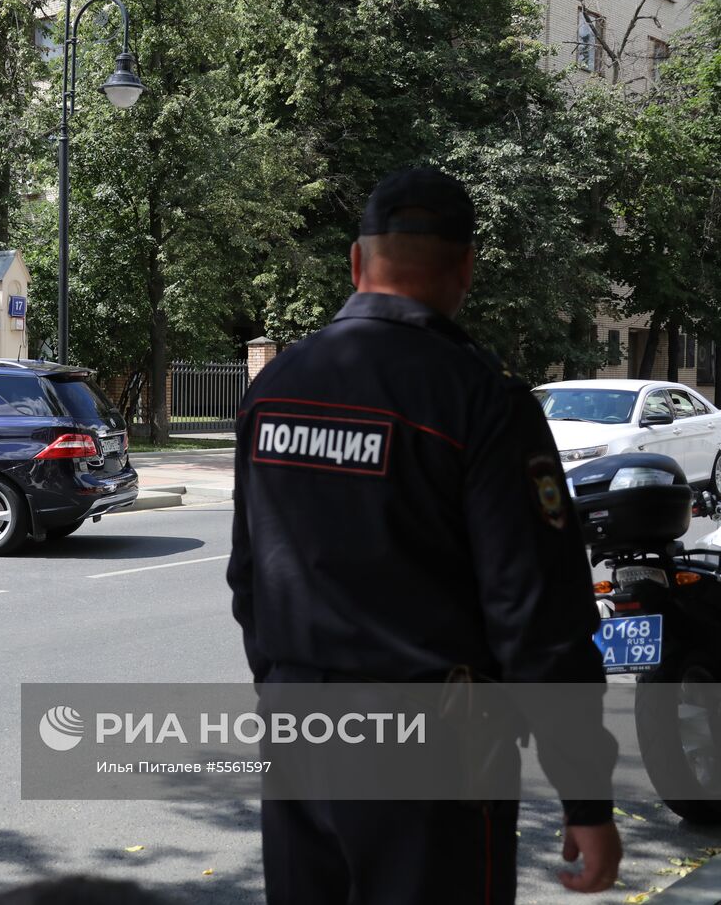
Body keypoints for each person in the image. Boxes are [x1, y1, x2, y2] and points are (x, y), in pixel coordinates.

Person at [227, 168, 622, 904]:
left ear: (357, 261)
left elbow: (248, 578)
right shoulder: (480, 401)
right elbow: (536, 615)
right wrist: (586, 795)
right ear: (465, 270)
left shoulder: (274, 389)